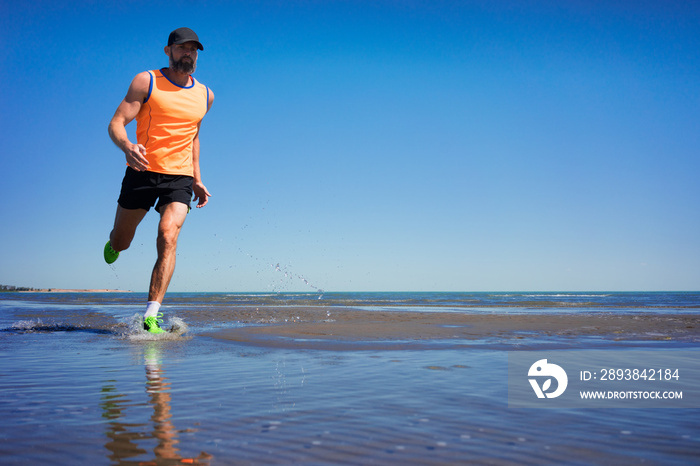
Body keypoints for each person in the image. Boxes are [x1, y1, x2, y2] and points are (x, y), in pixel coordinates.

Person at [105, 27, 214, 334]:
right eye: (182, 48)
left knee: (168, 236)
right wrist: (127, 146)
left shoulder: (205, 94)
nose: (188, 54)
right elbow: (117, 122)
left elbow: (193, 138)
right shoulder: (147, 80)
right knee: (122, 242)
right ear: (168, 51)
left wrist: (197, 178)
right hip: (142, 171)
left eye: (193, 50)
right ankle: (114, 241)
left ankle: (151, 315)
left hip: (178, 178)